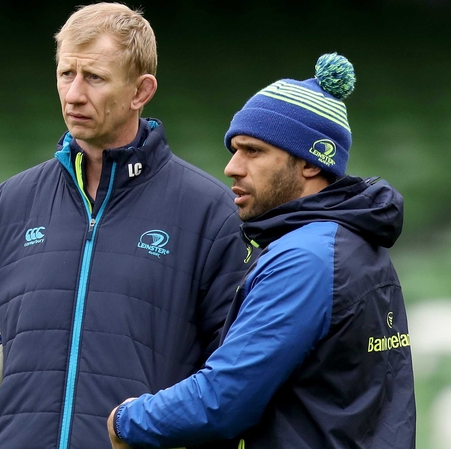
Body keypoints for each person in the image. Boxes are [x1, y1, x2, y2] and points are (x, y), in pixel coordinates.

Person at [0, 3, 249, 448]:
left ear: (140, 91)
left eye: (94, 77)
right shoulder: (7, 206)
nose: (73, 94)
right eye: (65, 74)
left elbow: (236, 376)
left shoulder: (209, 214)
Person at [108, 53, 416, 449]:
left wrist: (128, 420)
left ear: (309, 162)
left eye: (252, 151)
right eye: (234, 150)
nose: (232, 167)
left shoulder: (305, 258)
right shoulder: (353, 243)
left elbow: (222, 401)